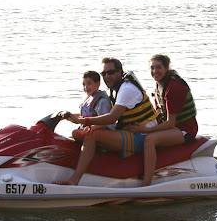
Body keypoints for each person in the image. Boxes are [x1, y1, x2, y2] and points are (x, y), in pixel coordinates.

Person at [53, 57, 158, 186]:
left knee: (92, 135)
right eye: (104, 74)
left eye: (111, 72)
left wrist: (83, 121)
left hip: (141, 136)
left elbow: (112, 118)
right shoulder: (117, 88)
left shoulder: (127, 89)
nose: (107, 76)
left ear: (120, 71)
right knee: (77, 135)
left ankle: (74, 180)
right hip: (130, 132)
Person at [128, 54, 198, 186]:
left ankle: (146, 184)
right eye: (152, 68)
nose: (155, 71)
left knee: (150, 140)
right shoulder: (160, 84)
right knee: (142, 136)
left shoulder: (173, 88)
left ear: (166, 68)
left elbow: (170, 123)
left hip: (185, 130)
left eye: (158, 67)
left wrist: (147, 129)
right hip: (173, 128)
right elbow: (159, 113)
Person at [70, 71, 113, 142]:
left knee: (75, 133)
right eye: (84, 84)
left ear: (98, 84)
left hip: (99, 134)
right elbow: (84, 116)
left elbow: (109, 124)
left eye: (89, 84)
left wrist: (94, 127)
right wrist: (68, 116)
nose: (86, 87)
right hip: (87, 130)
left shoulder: (101, 101)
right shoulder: (90, 98)